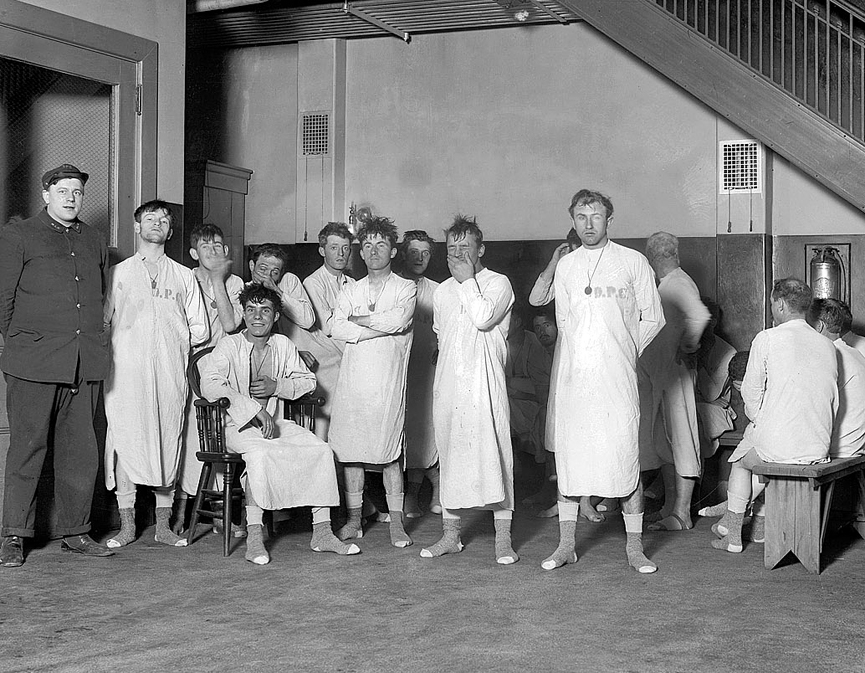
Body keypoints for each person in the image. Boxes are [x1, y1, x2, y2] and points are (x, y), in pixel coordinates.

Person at [542, 189, 664, 573]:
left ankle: (634, 548)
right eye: (581, 217)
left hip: (618, 382)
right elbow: (565, 325)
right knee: (572, 466)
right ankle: (565, 546)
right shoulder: (567, 266)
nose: (588, 224)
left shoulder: (633, 261)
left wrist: (625, 352)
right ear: (573, 220)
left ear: (609, 221)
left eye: (595, 216)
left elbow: (654, 318)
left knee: (625, 462)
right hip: (576, 382)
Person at [0, 164, 114, 566]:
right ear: (46, 193)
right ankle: (14, 534)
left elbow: (98, 298)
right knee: (27, 450)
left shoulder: (95, 240)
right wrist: (20, 344)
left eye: (78, 192)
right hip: (33, 361)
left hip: (84, 363)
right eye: (62, 190)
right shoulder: (19, 235)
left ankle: (76, 532)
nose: (70, 197)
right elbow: (4, 301)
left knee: (81, 453)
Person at [199, 283, 360, 564]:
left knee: (321, 450)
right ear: (244, 314)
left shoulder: (283, 345)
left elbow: (309, 382)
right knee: (260, 454)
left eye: (265, 310)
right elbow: (209, 384)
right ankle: (254, 537)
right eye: (251, 310)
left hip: (276, 423)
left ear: (275, 316)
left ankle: (321, 533)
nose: (257, 316)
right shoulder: (230, 345)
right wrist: (251, 410)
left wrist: (278, 386)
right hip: (235, 427)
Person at [103, 200, 210, 549]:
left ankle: (163, 526)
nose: (157, 223)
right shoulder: (118, 274)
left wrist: (169, 350)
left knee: (167, 442)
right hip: (125, 375)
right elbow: (103, 323)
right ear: (137, 227)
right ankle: (128, 525)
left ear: (170, 230)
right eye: (150, 218)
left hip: (168, 375)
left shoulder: (183, 276)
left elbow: (200, 330)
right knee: (125, 443)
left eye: (164, 220)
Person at [711, 279, 838, 553]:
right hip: (818, 445)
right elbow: (833, 401)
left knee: (740, 460)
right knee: (761, 449)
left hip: (782, 446)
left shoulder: (767, 338)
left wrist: (761, 420)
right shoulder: (827, 345)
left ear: (779, 304)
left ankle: (732, 534)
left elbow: (751, 390)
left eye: (772, 303)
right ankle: (758, 528)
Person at [420, 215, 519, 565]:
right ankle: (450, 536)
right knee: (450, 454)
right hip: (450, 384)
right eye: (452, 248)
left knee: (496, 455)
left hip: (485, 384)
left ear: (481, 249)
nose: (459, 254)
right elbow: (441, 337)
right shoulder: (442, 292)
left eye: (466, 247)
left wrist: (467, 281)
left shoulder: (498, 283)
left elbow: (481, 318)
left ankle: (503, 539)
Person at [328, 217, 417, 548]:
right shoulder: (350, 289)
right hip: (353, 384)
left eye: (381, 244)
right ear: (360, 253)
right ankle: (354, 521)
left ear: (393, 250)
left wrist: (360, 322)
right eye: (367, 245)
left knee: (390, 452)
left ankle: (397, 524)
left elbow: (400, 320)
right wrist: (381, 326)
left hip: (387, 384)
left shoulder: (406, 288)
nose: (373, 251)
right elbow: (337, 328)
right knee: (351, 453)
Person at [639, 232, 711, 532]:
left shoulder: (679, 282)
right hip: (660, 377)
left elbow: (700, 315)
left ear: (654, 257)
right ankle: (671, 507)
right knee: (663, 441)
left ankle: (682, 514)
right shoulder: (666, 284)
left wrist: (688, 346)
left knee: (681, 440)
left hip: (674, 375)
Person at [175, 223, 245, 524]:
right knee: (191, 439)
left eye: (218, 245)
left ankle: (220, 513)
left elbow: (230, 325)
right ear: (194, 253)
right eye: (206, 246)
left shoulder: (237, 284)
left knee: (221, 437)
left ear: (226, 250)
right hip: (189, 370)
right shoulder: (184, 279)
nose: (214, 251)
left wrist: (218, 279)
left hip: (224, 373)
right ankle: (180, 511)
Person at [283, 223, 356, 441]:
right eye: (334, 247)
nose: (340, 254)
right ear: (322, 250)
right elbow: (328, 327)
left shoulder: (351, 283)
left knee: (345, 430)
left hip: (345, 361)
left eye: (345, 248)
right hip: (325, 365)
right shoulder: (313, 283)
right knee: (325, 430)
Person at [399, 230, 442, 519]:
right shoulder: (393, 286)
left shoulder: (439, 290)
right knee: (408, 435)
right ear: (403, 253)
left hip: (429, 371)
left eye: (425, 253)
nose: (419, 258)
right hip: (399, 371)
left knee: (430, 431)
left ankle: (434, 490)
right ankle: (411, 493)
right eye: (414, 252)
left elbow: (448, 329)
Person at [810, 299, 865, 458]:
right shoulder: (853, 353)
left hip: (839, 451)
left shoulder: (829, 357)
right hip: (855, 446)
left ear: (819, 326)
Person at [507, 304, 550, 463]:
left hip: (532, 399)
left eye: (507, 320)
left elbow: (542, 385)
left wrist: (517, 390)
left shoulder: (535, 342)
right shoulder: (500, 343)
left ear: (517, 322)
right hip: (514, 400)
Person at [248, 243, 316, 336]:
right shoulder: (243, 289)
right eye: (263, 269)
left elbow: (308, 321)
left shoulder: (288, 280)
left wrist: (276, 290)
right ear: (252, 266)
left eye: (275, 272)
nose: (268, 276)